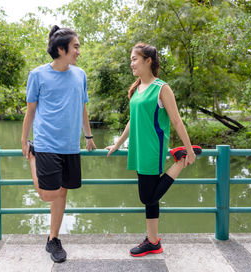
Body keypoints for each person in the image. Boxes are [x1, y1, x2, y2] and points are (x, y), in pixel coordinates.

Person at [106, 43, 201, 257]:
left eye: (134, 59)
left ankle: (180, 161)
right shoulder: (137, 88)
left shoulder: (162, 88)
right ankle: (153, 241)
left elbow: (176, 120)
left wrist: (189, 150)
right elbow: (133, 120)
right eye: (131, 59)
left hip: (153, 148)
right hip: (138, 148)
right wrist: (118, 144)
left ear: (148, 60)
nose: (131, 63)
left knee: (146, 197)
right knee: (152, 198)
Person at [21, 25, 96, 263]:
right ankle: (33, 159)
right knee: (48, 194)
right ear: (61, 49)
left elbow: (83, 107)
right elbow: (30, 110)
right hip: (45, 144)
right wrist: (24, 141)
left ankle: (53, 239)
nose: (78, 51)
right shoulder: (38, 75)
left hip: (70, 146)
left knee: (63, 191)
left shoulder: (80, 75)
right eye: (76, 47)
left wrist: (89, 136)